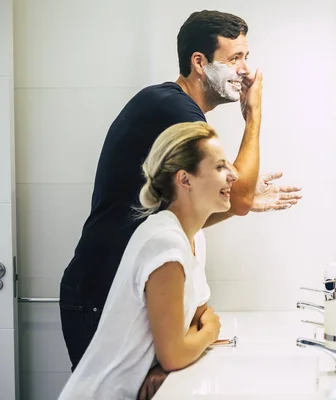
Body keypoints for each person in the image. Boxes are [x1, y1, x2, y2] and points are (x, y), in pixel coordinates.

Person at [58, 9, 301, 397]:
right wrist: (253, 116)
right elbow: (234, 198)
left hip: (120, 284)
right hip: (99, 288)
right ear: (199, 63)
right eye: (234, 58)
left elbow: (187, 214)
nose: (246, 70)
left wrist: (237, 201)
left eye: (246, 56)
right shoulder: (174, 110)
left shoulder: (172, 108)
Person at [58, 121, 234, 399]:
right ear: (185, 180)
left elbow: (196, 316)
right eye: (220, 166)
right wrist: (210, 332)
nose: (233, 174)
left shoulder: (193, 237)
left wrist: (184, 344)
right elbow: (176, 353)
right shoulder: (164, 243)